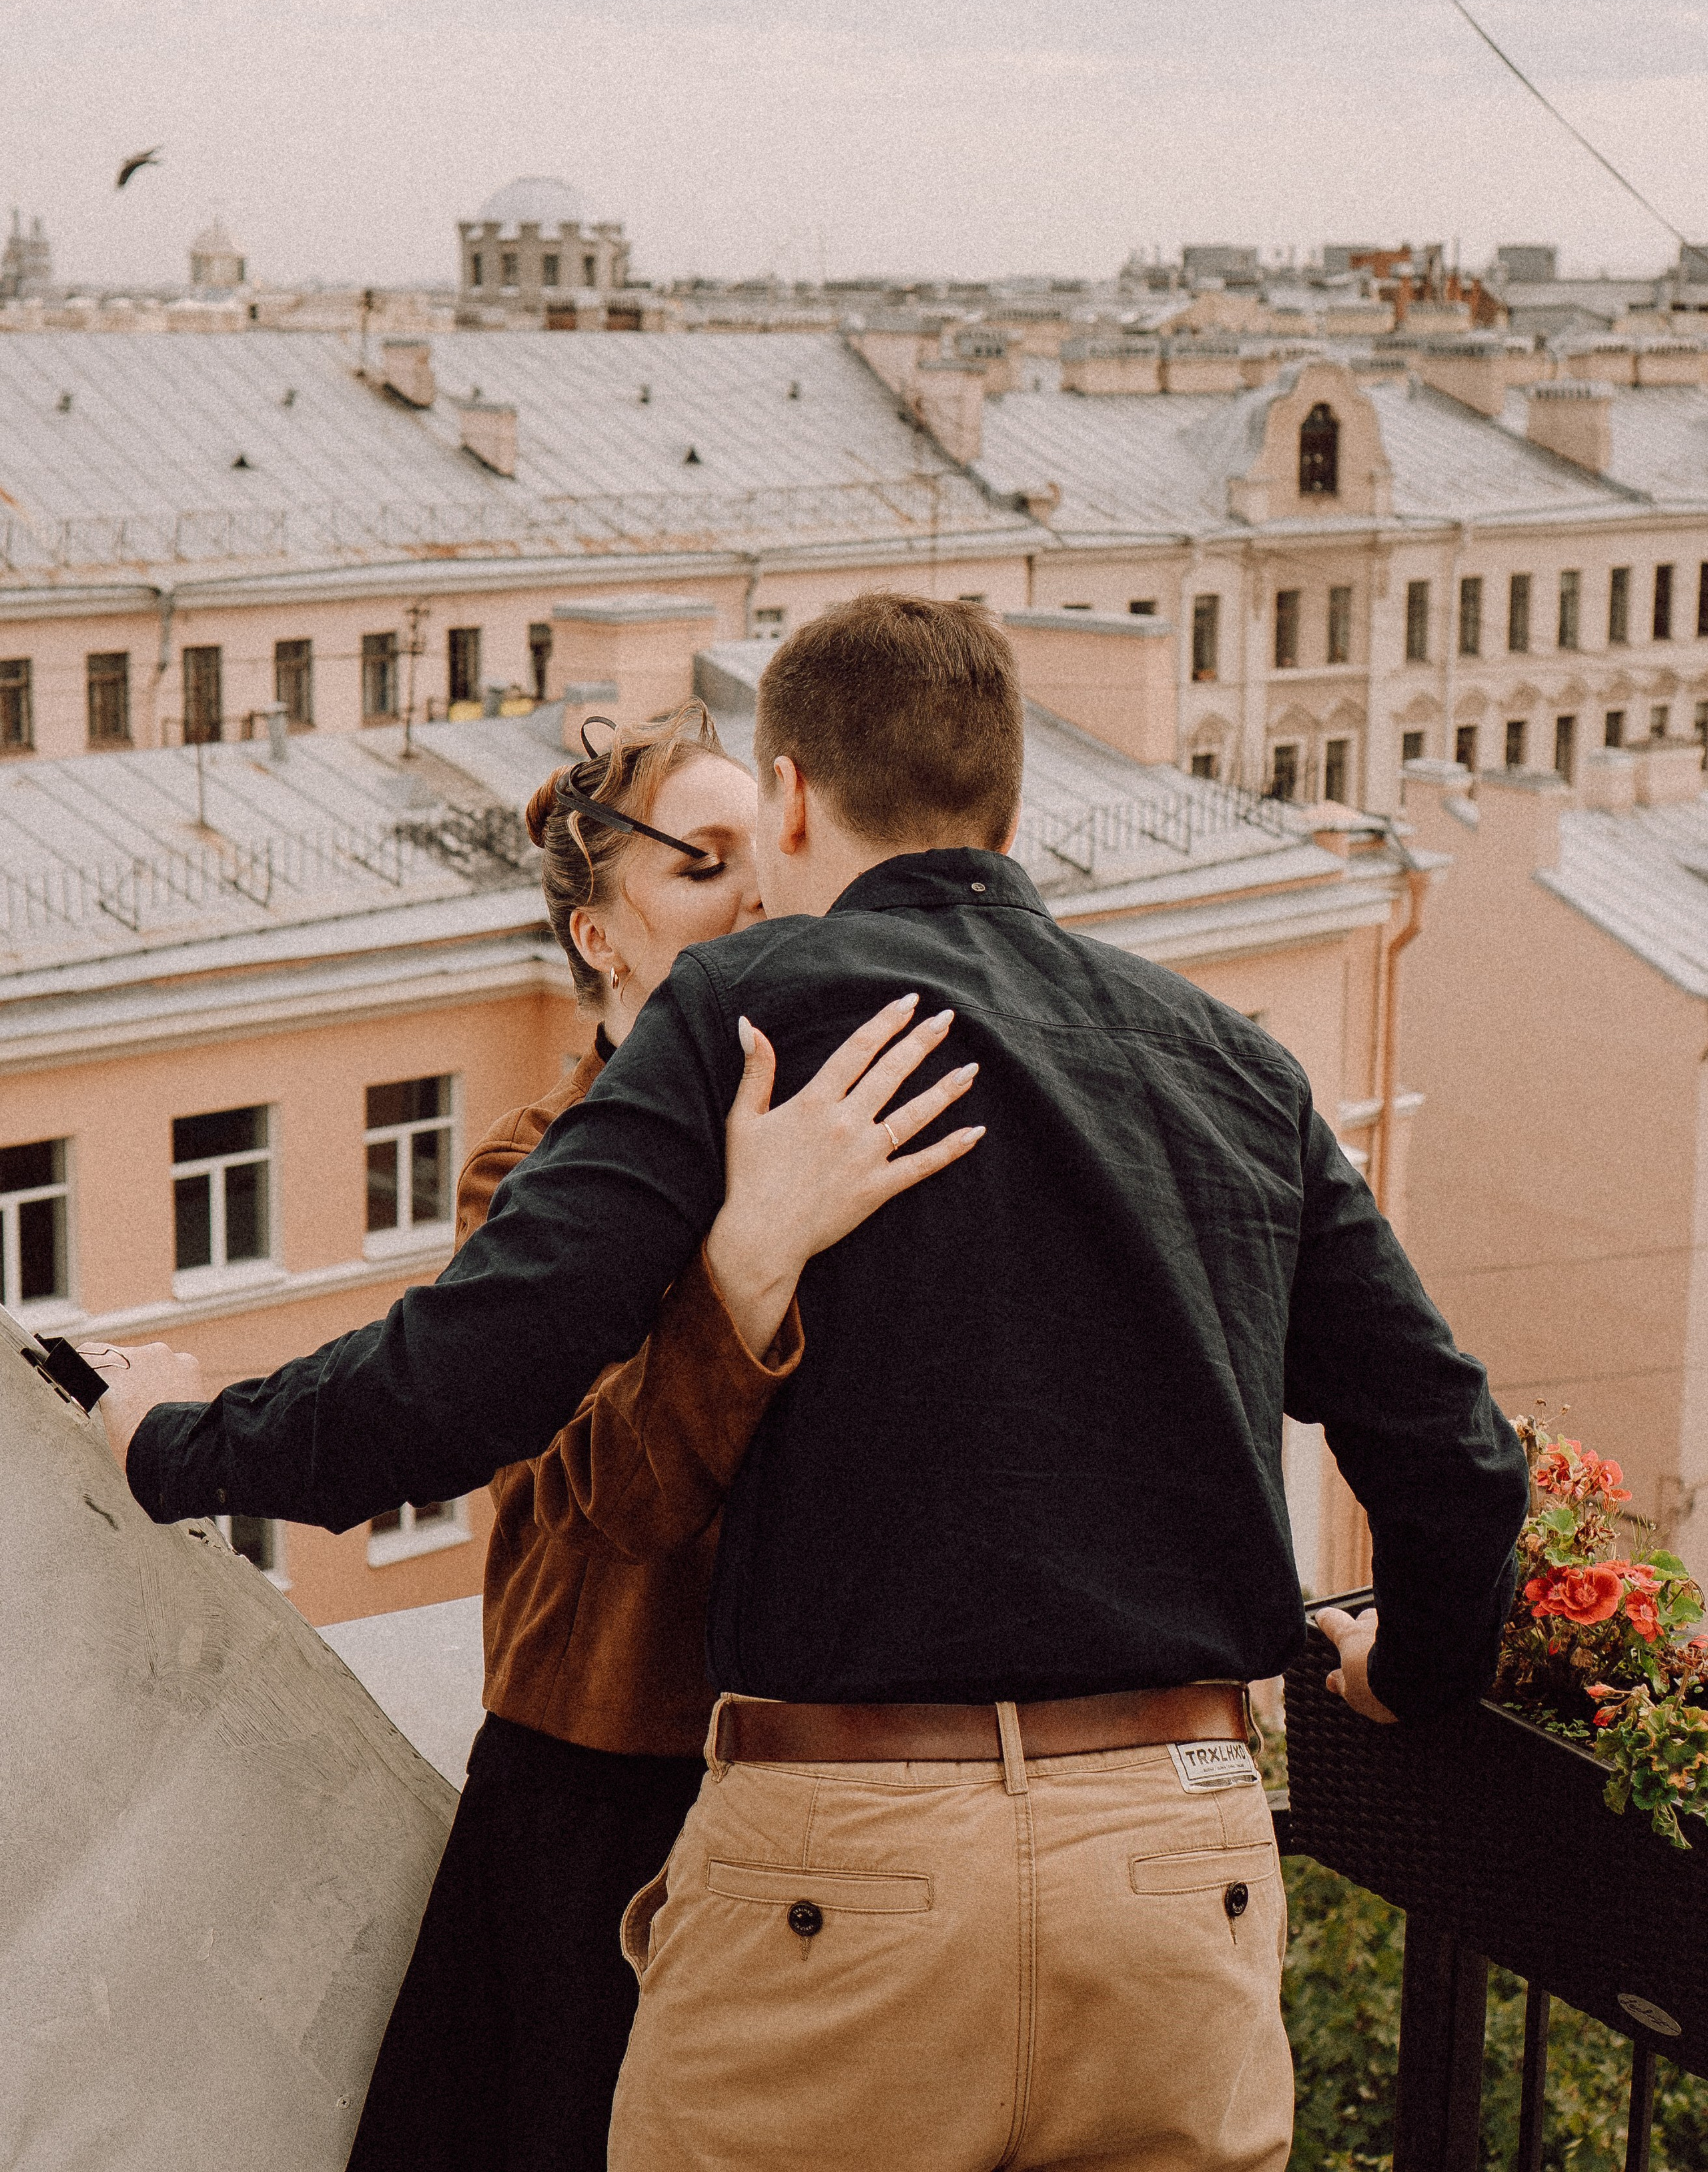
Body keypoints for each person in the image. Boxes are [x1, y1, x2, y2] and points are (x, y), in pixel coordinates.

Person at [102, 596, 1530, 2172]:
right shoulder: (1224, 1058)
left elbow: (455, 1386)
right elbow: (1452, 1452)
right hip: (1177, 1858)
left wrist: (168, 1445)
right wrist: (1415, 1675)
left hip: (849, 1868)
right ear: (1003, 799)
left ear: (788, 796)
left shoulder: (750, 1012)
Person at [94, 701, 983, 2172]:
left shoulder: (859, 1131)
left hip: (844, 1791)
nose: (757, 900)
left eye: (768, 865)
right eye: (703, 865)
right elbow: (595, 1503)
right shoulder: (533, 1166)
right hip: (611, 1777)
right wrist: (737, 1267)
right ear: (599, 936)